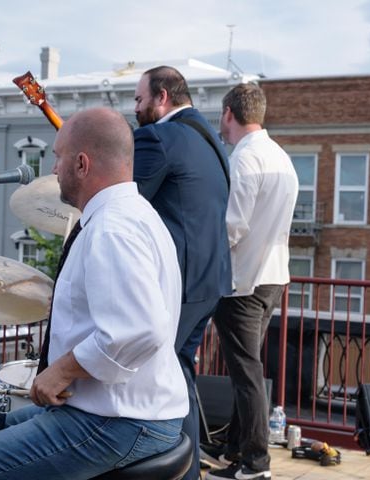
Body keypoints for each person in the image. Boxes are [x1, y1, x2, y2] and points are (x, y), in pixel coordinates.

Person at [0, 107, 188, 480]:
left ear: (82, 164)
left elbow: (140, 329)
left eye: (58, 157)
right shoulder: (134, 213)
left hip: (120, 420)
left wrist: (61, 371)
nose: (54, 169)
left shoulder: (112, 229)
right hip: (112, 409)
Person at [133, 65, 232, 480]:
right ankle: (186, 472)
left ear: (162, 97)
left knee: (148, 374)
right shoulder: (210, 140)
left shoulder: (161, 136)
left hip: (181, 283)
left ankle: (147, 462)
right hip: (211, 279)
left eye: (139, 99)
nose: (135, 108)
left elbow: (124, 201)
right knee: (179, 372)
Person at [205, 83, 299, 480]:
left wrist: (200, 262)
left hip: (243, 281)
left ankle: (256, 464)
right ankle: (235, 450)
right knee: (249, 370)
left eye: (222, 118)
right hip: (273, 277)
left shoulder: (243, 159)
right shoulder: (281, 157)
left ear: (229, 113)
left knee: (246, 374)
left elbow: (232, 227)